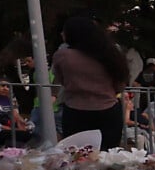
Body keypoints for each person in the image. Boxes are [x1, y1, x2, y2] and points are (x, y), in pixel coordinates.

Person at [53, 14, 131, 149]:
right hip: (108, 111)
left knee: (77, 157)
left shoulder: (62, 56)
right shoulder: (110, 53)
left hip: (75, 111)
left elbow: (62, 81)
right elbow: (120, 85)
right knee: (107, 157)